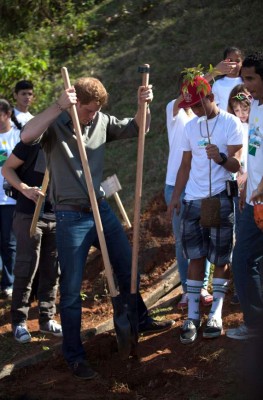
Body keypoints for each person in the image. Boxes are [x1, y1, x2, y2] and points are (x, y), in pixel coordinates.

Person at [20, 77, 174, 379]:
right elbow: (26, 136)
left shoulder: (101, 120)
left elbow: (139, 128)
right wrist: (58, 106)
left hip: (100, 209)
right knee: (72, 289)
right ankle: (75, 355)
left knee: (127, 266)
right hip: (69, 217)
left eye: (95, 111)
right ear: (75, 104)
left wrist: (145, 105)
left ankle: (139, 318)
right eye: (88, 111)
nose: (92, 116)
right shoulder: (55, 126)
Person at [168, 75, 243, 344]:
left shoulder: (230, 123)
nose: (196, 110)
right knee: (195, 256)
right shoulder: (191, 127)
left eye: (199, 104)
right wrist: (176, 197)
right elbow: (185, 165)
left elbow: (236, 165)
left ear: (211, 97)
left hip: (217, 197)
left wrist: (221, 158)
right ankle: (192, 315)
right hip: (193, 200)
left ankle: (216, 313)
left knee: (219, 257)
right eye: (192, 106)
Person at [1, 140, 62, 343]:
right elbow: (7, 169)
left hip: (58, 217)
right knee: (26, 267)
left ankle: (47, 318)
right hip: (29, 215)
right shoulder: (32, 142)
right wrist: (25, 189)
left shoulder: (70, 144)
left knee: (52, 268)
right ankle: (19, 321)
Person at [226, 51, 263, 341]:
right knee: (248, 260)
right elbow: (254, 151)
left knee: (243, 260)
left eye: (250, 78)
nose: (246, 86)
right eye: (243, 79)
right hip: (253, 200)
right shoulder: (257, 107)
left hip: (262, 201)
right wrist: (248, 181)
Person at [165, 95, 213, 310]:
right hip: (176, 184)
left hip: (202, 182)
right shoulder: (174, 111)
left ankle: (201, 287)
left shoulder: (206, 113)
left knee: (206, 235)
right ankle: (187, 289)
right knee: (183, 240)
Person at [227, 84, 252, 305]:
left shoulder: (255, 124)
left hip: (253, 185)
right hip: (238, 185)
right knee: (239, 232)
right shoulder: (234, 126)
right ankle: (241, 286)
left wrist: (248, 173)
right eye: (236, 110)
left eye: (244, 109)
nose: (241, 114)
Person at [0, 99, 21, 299]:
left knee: (9, 242)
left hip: (9, 199)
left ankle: (10, 283)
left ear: (6, 114)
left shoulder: (18, 137)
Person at [212, 46, 244, 111]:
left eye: (237, 61)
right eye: (230, 60)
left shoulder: (246, 82)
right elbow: (215, 108)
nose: (234, 64)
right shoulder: (218, 84)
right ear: (224, 62)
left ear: (242, 63)